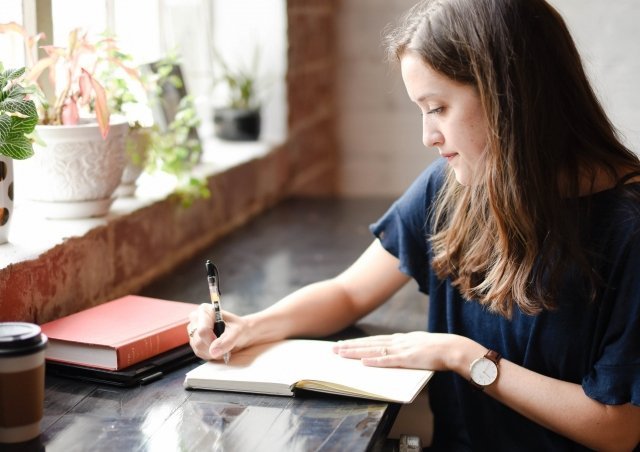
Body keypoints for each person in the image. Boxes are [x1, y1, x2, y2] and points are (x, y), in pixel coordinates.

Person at [188, 0, 640, 449]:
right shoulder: (455, 184)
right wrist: (253, 326)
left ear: (510, 96)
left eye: (438, 107)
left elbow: (616, 427)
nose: (428, 136)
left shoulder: (629, 229)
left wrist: (465, 357)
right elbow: (349, 292)